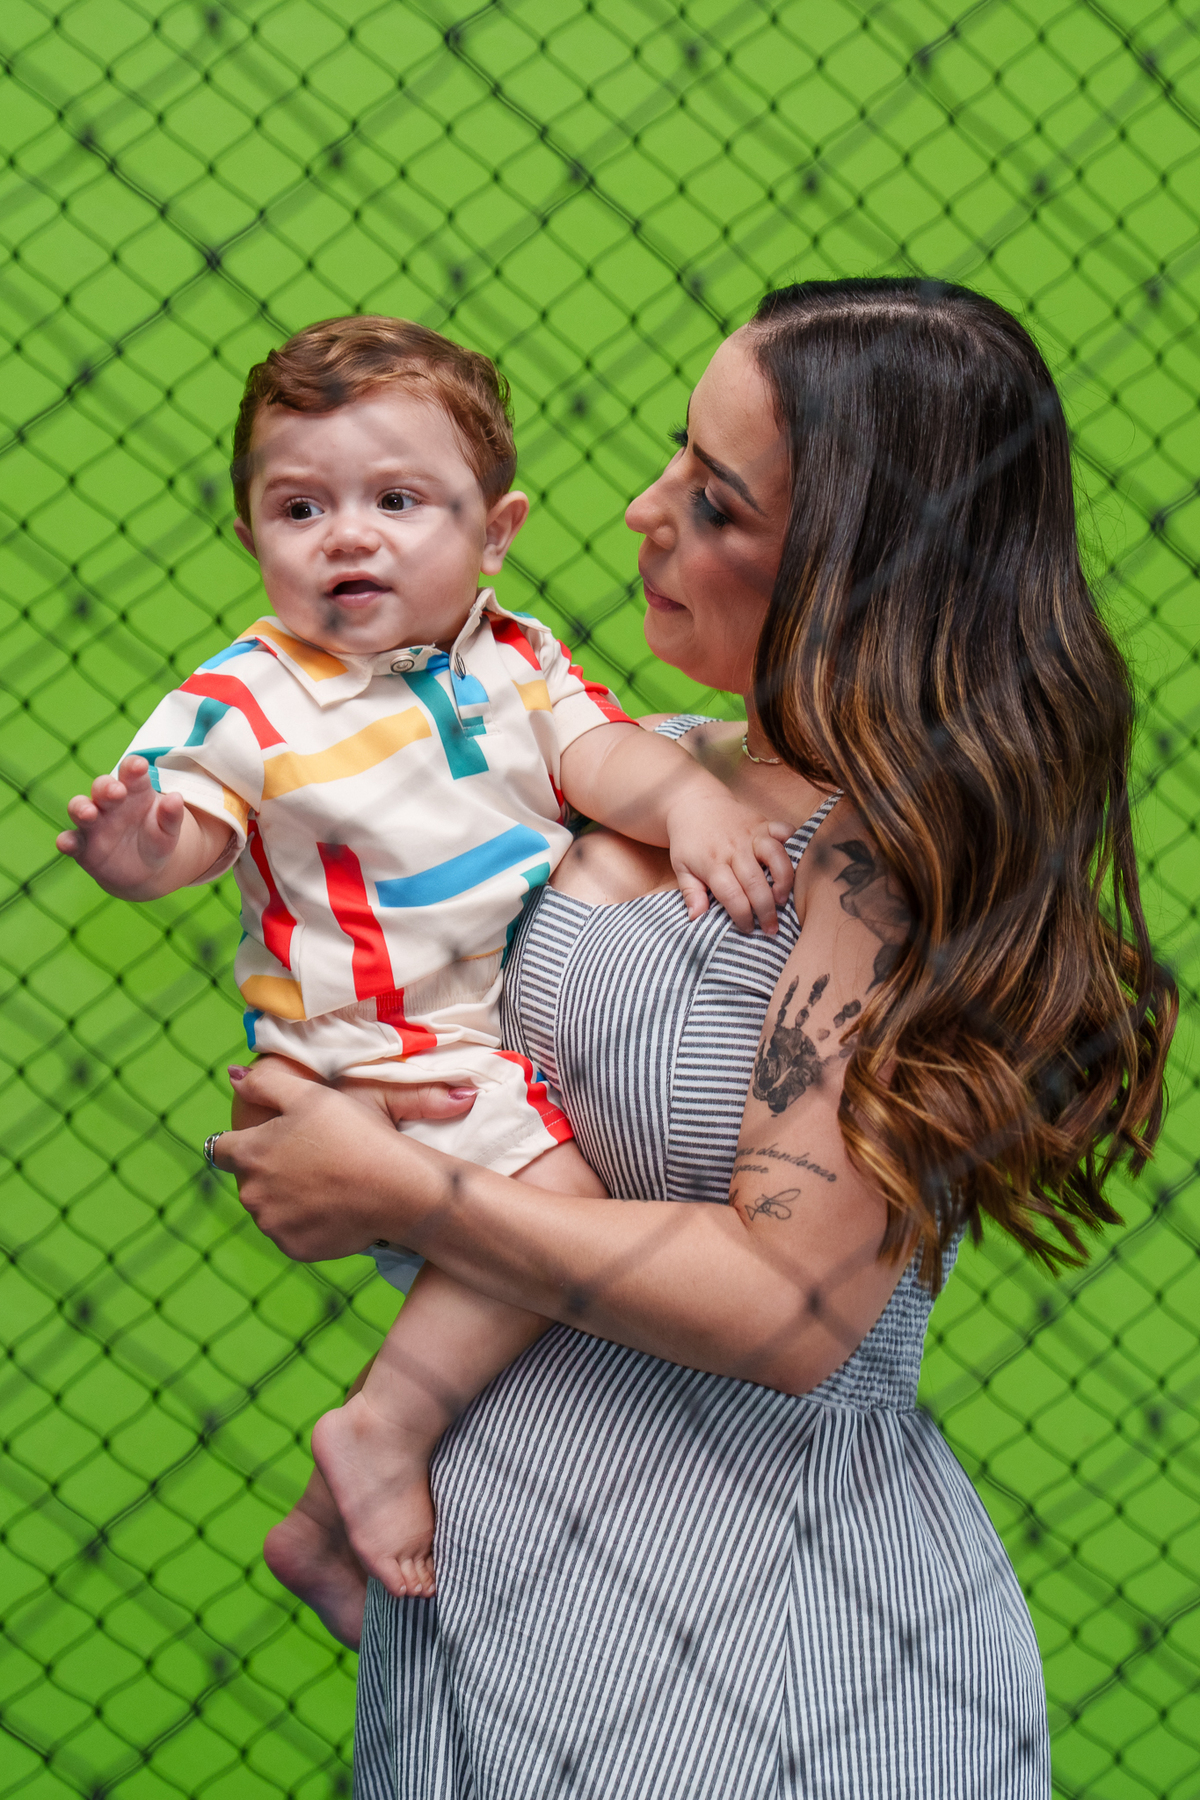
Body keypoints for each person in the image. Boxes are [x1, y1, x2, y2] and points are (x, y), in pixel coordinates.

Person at [215, 278, 1175, 1800]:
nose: (644, 512)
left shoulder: (886, 864)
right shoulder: (630, 758)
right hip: (483, 1592)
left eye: (717, 503)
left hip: (757, 1650)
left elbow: (794, 1308)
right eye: (679, 454)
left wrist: (395, 1191)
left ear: (858, 569)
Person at [55, 315, 797, 1620]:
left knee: (506, 1238)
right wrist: (142, 848)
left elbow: (598, 757)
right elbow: (192, 828)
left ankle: (316, 1529)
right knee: (559, 1184)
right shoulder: (248, 697)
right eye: (300, 508)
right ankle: (379, 1432)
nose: (348, 537)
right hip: (371, 1038)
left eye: (397, 501)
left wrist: (687, 801)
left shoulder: (517, 657)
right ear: (251, 537)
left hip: (478, 1026)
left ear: (495, 532)